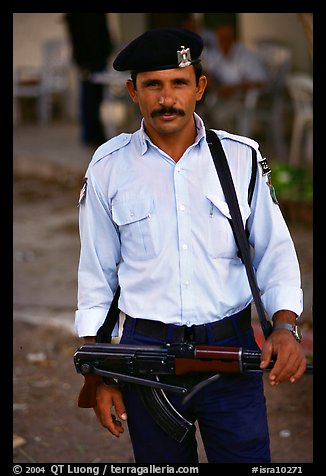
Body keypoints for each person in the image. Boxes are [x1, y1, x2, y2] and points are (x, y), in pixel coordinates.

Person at [75, 27, 306, 464]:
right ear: (133, 91)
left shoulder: (241, 159)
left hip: (228, 349)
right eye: (153, 86)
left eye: (178, 83)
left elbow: (275, 252)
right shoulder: (108, 167)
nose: (167, 98)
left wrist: (284, 327)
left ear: (199, 87)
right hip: (144, 354)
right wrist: (97, 371)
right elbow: (97, 275)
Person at [200, 21, 268, 134]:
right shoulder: (218, 54)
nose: (222, 42)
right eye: (220, 39)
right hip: (224, 99)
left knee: (219, 117)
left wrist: (234, 88)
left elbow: (261, 83)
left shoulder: (246, 56)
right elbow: (210, 72)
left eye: (226, 39)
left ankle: (231, 146)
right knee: (201, 114)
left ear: (234, 39)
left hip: (243, 100)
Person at [64, 13, 113, 147]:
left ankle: (95, 134)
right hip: (88, 60)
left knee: (95, 97)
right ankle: (90, 135)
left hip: (96, 57)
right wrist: (81, 61)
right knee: (89, 97)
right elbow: (77, 37)